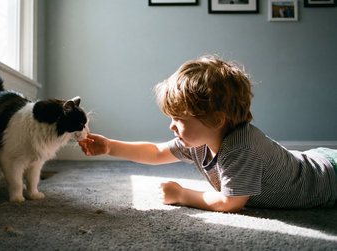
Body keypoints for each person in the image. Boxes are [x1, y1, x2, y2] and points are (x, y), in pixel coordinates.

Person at [78, 55, 337, 213]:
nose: (171, 126)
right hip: (313, 159)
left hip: (328, 178)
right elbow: (156, 152)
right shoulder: (197, 140)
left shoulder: (240, 147)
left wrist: (182, 195)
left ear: (216, 120)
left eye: (179, 119)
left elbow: (230, 202)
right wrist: (110, 146)